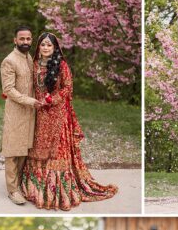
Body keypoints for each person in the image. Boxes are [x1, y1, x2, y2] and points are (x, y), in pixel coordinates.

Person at [20, 33, 117, 211]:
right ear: (38, 47)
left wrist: (52, 99)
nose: (46, 48)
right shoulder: (34, 64)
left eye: (49, 45)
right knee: (38, 148)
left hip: (58, 114)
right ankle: (37, 189)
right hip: (39, 113)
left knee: (56, 151)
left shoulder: (61, 65)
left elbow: (67, 88)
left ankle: (57, 193)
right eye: (43, 45)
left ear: (55, 48)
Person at [0, 26, 42, 205]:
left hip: (30, 111)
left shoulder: (29, 57)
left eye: (28, 39)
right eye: (22, 39)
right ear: (15, 40)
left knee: (24, 149)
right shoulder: (9, 61)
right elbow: (8, 89)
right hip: (16, 111)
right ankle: (12, 190)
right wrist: (30, 101)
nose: (25, 42)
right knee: (12, 151)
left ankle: (19, 184)